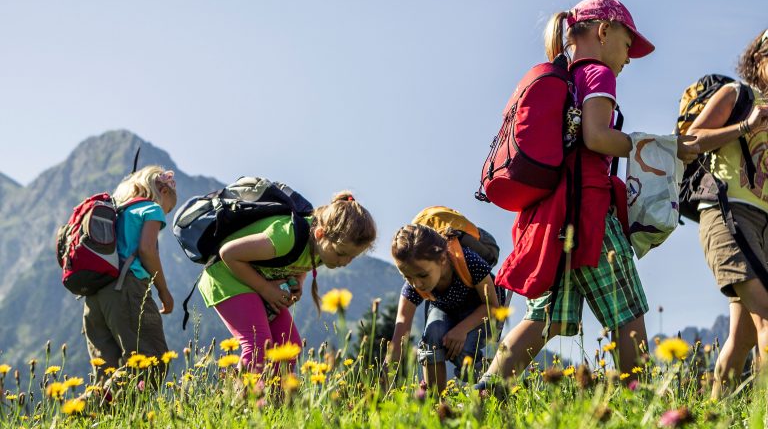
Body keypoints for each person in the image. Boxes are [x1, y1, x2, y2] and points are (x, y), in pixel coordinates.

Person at [476, 0, 698, 387]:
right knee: (628, 315)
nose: (628, 58)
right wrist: (652, 145)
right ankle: (639, 403)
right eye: (628, 45)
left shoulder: (566, 75)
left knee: (543, 319)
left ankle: (484, 391)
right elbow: (597, 138)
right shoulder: (597, 74)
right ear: (603, 30)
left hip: (556, 217)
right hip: (591, 214)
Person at [198, 193, 376, 372]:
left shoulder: (323, 250)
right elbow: (228, 253)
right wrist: (266, 288)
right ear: (320, 234)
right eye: (341, 253)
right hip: (226, 276)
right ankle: (242, 398)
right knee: (257, 345)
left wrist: (297, 279)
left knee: (289, 348)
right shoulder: (286, 236)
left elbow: (300, 261)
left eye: (353, 257)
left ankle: (274, 399)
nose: (345, 262)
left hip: (256, 282)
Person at [686, 29, 768, 398]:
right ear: (759, 59)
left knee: (742, 338)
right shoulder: (738, 94)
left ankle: (713, 418)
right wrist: (746, 125)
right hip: (728, 214)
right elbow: (691, 139)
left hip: (763, 226)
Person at [83, 166, 177, 387]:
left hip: (96, 294)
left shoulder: (117, 211)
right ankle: (89, 409)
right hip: (127, 289)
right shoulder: (151, 209)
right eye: (169, 208)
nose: (166, 213)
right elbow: (147, 250)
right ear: (163, 191)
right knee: (150, 362)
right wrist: (164, 291)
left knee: (108, 371)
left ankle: (84, 413)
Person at [386, 224, 504, 393]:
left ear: (442, 259)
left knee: (462, 351)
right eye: (407, 277)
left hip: (481, 310)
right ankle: (436, 402)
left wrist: (461, 329)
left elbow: (492, 306)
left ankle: (490, 387)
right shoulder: (416, 279)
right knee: (431, 337)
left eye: (422, 275)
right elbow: (402, 324)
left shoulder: (468, 261)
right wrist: (387, 369)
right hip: (446, 309)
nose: (416, 283)